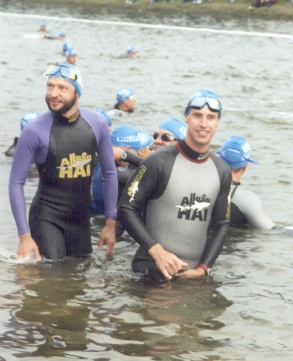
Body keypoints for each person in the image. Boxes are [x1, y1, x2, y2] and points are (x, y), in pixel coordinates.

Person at [118, 89, 232, 282]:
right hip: (152, 268)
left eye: (210, 117)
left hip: (193, 275)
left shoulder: (221, 170)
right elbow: (126, 208)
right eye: (197, 116)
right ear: (186, 119)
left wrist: (204, 269)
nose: (203, 124)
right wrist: (157, 251)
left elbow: (221, 224)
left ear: (217, 123)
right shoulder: (158, 162)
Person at [9, 62, 118, 261]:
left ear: (77, 92)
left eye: (62, 88)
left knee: (79, 280)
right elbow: (16, 183)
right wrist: (24, 236)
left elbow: (109, 173)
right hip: (46, 218)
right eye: (50, 86)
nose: (53, 93)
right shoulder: (34, 130)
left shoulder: (97, 123)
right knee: (53, 278)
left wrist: (110, 224)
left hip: (80, 220)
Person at [217, 135, 275, 230]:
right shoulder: (247, 200)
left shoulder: (204, 186)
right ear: (246, 166)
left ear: (219, 159)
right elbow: (272, 231)